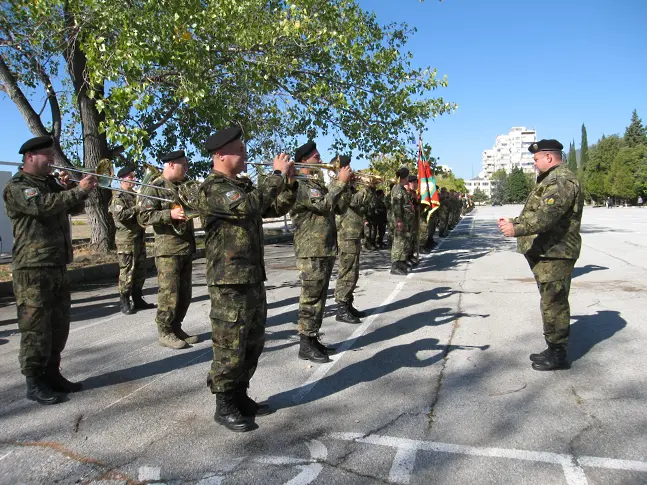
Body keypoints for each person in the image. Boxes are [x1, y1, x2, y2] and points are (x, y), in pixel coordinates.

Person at [198, 127, 296, 432]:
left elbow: (272, 207)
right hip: (228, 281)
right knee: (230, 344)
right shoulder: (214, 189)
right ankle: (224, 403)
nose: (245, 154)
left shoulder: (240, 186)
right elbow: (251, 205)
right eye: (239, 150)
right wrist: (276, 176)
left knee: (253, 341)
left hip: (251, 276)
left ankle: (240, 395)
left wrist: (288, 183)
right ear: (220, 155)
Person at [3, 135, 98, 404]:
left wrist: (70, 188)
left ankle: (52, 373)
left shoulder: (49, 184)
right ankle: (34, 381)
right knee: (35, 328)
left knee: (58, 324)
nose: (52, 162)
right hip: (32, 268)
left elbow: (74, 207)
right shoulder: (18, 186)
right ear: (30, 157)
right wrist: (76, 190)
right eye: (48, 156)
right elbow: (42, 207)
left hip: (56, 264)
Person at [498, 139, 584, 371]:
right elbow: (537, 212)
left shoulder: (561, 180)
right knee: (549, 301)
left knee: (554, 302)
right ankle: (553, 347)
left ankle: (558, 354)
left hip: (557, 252)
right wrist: (515, 222)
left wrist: (517, 229)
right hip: (549, 252)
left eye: (536, 159)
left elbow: (547, 216)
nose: (534, 164)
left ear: (549, 157)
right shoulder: (550, 179)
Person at [289, 141, 352, 363]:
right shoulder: (301, 184)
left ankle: (313, 338)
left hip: (324, 248)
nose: (321, 159)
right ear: (304, 160)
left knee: (320, 298)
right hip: (310, 249)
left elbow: (339, 207)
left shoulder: (317, 183)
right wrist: (338, 183)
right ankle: (305, 344)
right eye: (316, 156)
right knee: (310, 298)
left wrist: (343, 185)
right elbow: (324, 205)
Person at [138, 150, 197, 350]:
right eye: (184, 164)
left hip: (185, 246)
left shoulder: (183, 186)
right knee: (169, 294)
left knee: (185, 293)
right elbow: (143, 217)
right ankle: (165, 331)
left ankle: (176, 327)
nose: (187, 168)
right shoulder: (154, 187)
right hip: (168, 250)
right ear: (171, 164)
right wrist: (169, 214)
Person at [109, 165, 155, 315]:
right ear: (122, 179)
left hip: (138, 237)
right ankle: (124, 300)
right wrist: (137, 207)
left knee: (140, 269)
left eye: (134, 177)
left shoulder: (136, 195)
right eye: (131, 177)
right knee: (127, 270)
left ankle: (137, 297)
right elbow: (120, 216)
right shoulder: (118, 198)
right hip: (126, 240)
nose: (134, 180)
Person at [333, 156, 371, 324]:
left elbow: (364, 203)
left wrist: (367, 187)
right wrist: (366, 187)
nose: (350, 169)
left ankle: (348, 303)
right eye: (346, 166)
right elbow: (354, 202)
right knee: (347, 271)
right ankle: (341, 307)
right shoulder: (337, 185)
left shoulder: (348, 186)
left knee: (353, 272)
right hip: (345, 234)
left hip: (354, 233)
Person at [390, 167, 411, 275]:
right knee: (398, 242)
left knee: (403, 241)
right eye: (408, 176)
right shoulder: (397, 189)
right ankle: (395, 265)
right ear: (405, 177)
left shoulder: (402, 188)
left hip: (405, 220)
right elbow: (397, 206)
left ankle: (401, 262)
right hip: (400, 220)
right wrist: (399, 220)